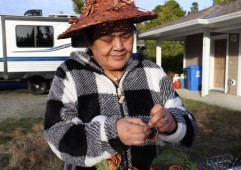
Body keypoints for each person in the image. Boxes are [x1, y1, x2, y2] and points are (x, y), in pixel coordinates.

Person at [44, 0, 196, 169]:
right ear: (89, 40)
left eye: (126, 36)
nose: (119, 46)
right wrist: (112, 133)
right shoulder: (70, 74)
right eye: (107, 38)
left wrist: (173, 123)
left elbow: (190, 129)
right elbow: (57, 134)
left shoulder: (152, 72)